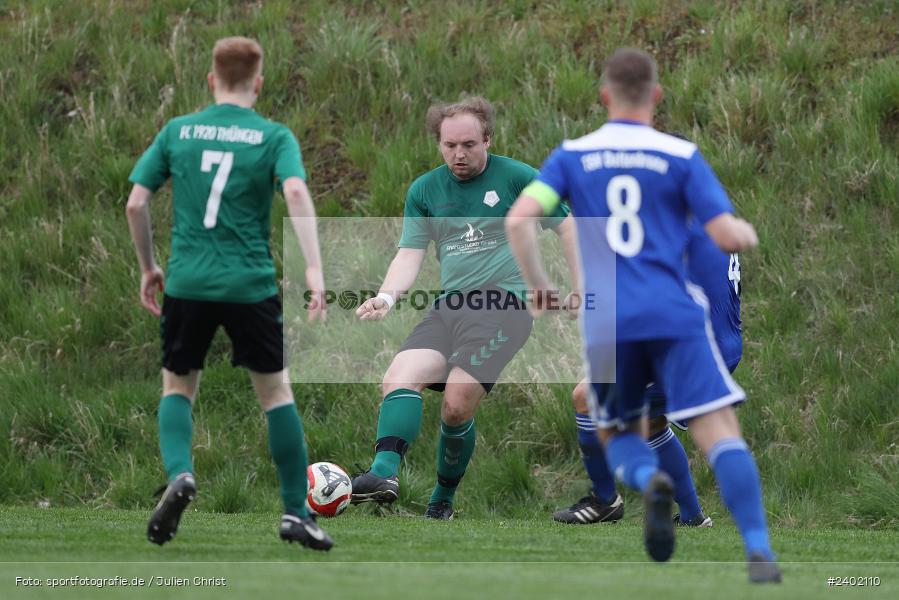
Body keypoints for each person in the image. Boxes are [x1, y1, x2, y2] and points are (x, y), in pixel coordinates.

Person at [506, 48, 781, 582]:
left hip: (612, 321)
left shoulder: (572, 155)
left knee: (617, 431)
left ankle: (649, 481)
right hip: (675, 313)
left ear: (605, 97)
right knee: (720, 430)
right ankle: (759, 550)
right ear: (655, 96)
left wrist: (540, 287)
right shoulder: (680, 155)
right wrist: (745, 232)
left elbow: (520, 221)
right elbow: (725, 236)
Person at [125, 36, 332, 550]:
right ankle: (293, 513)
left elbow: (135, 204)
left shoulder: (178, 131)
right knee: (276, 393)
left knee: (178, 387)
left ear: (211, 80)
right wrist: (313, 268)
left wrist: (150, 266)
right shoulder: (273, 136)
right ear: (258, 83)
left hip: (189, 282)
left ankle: (181, 473)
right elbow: (297, 192)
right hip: (250, 284)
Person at [350, 97, 578, 520]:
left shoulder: (518, 178)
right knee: (399, 375)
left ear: (488, 139)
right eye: (449, 145)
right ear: (438, 143)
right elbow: (409, 255)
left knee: (456, 405)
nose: (459, 154)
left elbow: (567, 224)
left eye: (469, 144)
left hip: (505, 306)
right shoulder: (424, 190)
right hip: (448, 307)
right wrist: (386, 296)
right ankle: (383, 475)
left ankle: (442, 502)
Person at [554, 223, 742, 528]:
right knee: (651, 423)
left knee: (586, 397)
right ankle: (693, 517)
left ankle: (604, 501)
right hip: (721, 344)